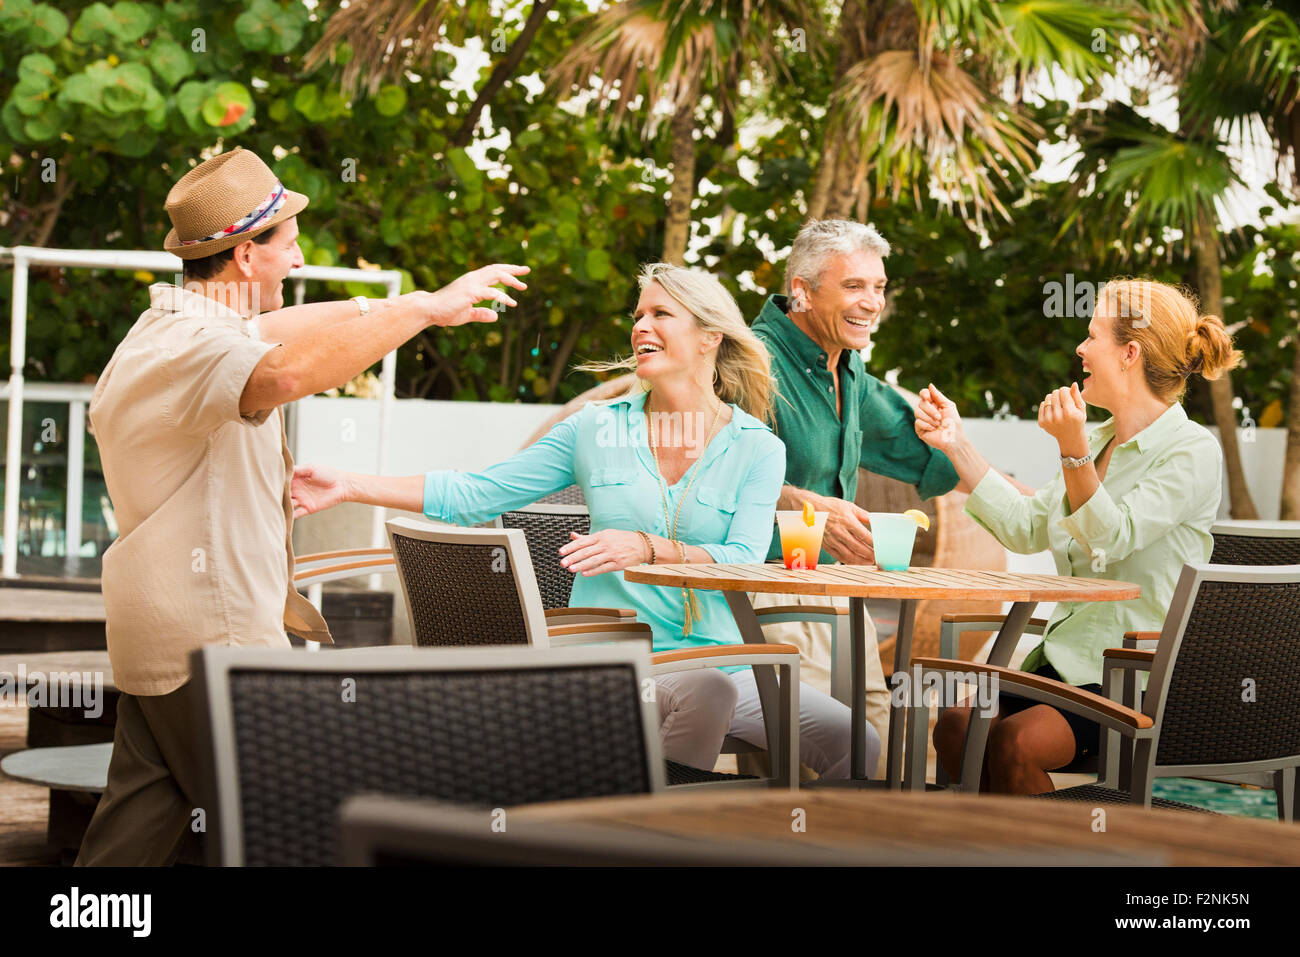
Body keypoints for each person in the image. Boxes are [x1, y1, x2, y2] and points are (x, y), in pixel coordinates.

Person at [77, 146, 529, 865]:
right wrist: (419, 307)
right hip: (212, 639)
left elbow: (273, 334)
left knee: (131, 837)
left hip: (163, 636)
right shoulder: (195, 347)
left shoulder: (172, 327)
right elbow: (283, 371)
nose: (296, 259)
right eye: (286, 245)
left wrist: (398, 308)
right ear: (246, 255)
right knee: (295, 830)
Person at [291, 263, 859, 778]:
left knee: (854, 742)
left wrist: (647, 546)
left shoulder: (757, 447)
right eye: (638, 316)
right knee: (705, 695)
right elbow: (477, 493)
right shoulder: (595, 428)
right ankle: (641, 837)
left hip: (722, 657)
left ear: (711, 336)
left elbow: (743, 557)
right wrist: (351, 485)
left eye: (662, 314)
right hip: (610, 656)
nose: (641, 326)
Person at [913, 279, 1240, 794]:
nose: (1080, 350)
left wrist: (1072, 452)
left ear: (1129, 353)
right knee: (956, 725)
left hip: (1133, 676)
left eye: (1092, 336)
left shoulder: (1190, 450)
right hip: (1063, 665)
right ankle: (997, 850)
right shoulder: (1096, 439)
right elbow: (1025, 527)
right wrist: (956, 445)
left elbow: (1111, 539)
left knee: (1016, 742)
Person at [747, 220, 959, 774]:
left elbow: (920, 448)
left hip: (839, 582)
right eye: (854, 287)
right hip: (769, 584)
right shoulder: (749, 362)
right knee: (817, 741)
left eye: (879, 287)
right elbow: (703, 470)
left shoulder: (849, 366)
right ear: (801, 290)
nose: (872, 302)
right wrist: (798, 501)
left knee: (882, 729)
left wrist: (1038, 490)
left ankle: (882, 845)